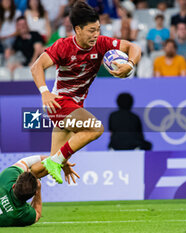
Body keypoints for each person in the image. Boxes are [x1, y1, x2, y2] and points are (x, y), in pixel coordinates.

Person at [30, 1, 141, 183]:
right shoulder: (63, 46)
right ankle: (57, 160)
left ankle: (13, 184)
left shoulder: (102, 43)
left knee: (46, 167)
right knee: (96, 128)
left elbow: (133, 47)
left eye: (98, 29)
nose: (96, 34)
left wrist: (129, 64)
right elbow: (37, 67)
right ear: (78, 29)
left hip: (74, 106)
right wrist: (44, 92)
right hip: (59, 103)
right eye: (91, 30)